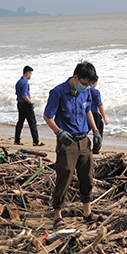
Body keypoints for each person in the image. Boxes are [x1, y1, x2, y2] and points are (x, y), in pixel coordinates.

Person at [43, 61, 103, 230]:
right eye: (84, 84)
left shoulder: (86, 92)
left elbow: (87, 110)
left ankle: (87, 212)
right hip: (67, 142)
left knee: (87, 176)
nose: (87, 87)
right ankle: (57, 215)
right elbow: (48, 116)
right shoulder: (58, 92)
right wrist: (58, 132)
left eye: (89, 84)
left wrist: (95, 130)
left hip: (84, 140)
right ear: (75, 78)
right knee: (65, 175)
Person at [14, 65, 43, 146]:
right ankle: (36, 141)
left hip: (20, 104)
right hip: (26, 104)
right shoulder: (25, 83)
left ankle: (17, 140)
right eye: (30, 74)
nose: (30, 75)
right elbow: (24, 95)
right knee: (32, 122)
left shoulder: (18, 82)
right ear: (27, 73)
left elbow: (17, 93)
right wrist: (31, 102)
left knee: (20, 122)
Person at [89, 80, 108, 154]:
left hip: (84, 113)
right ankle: (96, 149)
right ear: (95, 82)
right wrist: (104, 117)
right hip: (94, 113)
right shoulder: (95, 92)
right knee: (98, 131)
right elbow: (100, 105)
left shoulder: (84, 90)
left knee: (84, 131)